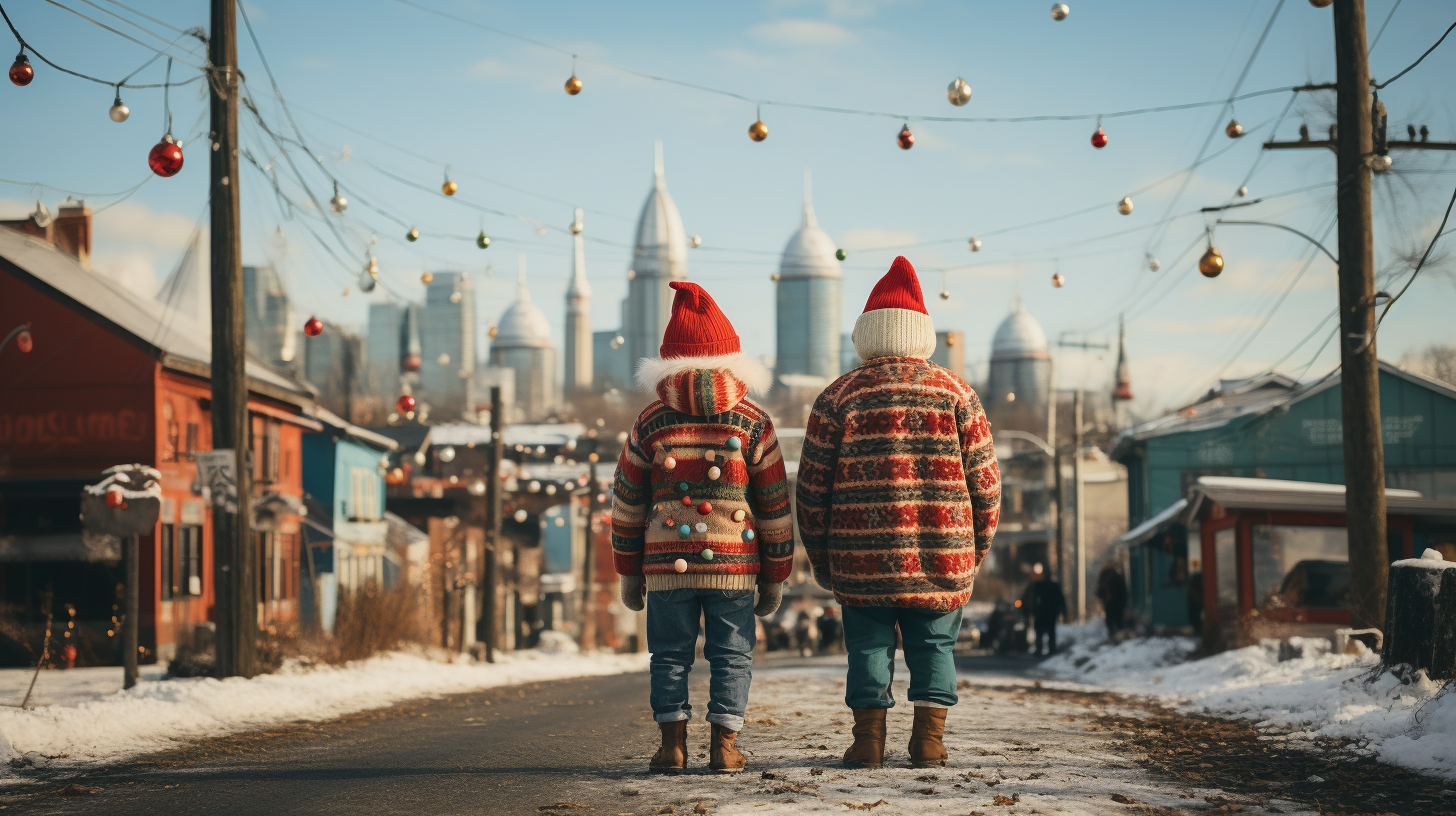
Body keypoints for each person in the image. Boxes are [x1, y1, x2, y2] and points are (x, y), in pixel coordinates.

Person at [795, 257, 1001, 770]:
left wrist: (822, 559)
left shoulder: (838, 396)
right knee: (935, 646)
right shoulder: (957, 394)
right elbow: (986, 484)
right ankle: (928, 743)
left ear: (866, 336)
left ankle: (867, 744)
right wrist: (974, 550)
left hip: (858, 556)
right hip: (942, 553)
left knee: (867, 647)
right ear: (922, 335)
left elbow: (812, 489)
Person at [611, 281, 793, 775]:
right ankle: (725, 747)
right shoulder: (753, 420)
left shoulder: (650, 422)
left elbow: (627, 503)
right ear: (732, 358)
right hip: (735, 563)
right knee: (732, 656)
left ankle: (671, 747)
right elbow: (775, 505)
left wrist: (629, 570)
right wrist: (775, 573)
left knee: (669, 655)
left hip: (665, 563)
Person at [1026, 569, 1067, 656]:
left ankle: (1039, 649)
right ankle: (1051, 649)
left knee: (1039, 632)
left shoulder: (1038, 585)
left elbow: (1034, 600)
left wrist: (1033, 611)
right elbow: (1060, 598)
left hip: (1041, 612)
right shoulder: (1055, 586)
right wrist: (1063, 610)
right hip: (1051, 612)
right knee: (1051, 631)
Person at [1096, 564, 1128, 639]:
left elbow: (1100, 591)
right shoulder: (1117, 578)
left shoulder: (1106, 578)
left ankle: (1115, 635)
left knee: (1113, 621)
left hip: (1112, 603)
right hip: (1116, 603)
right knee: (1117, 620)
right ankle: (1118, 636)